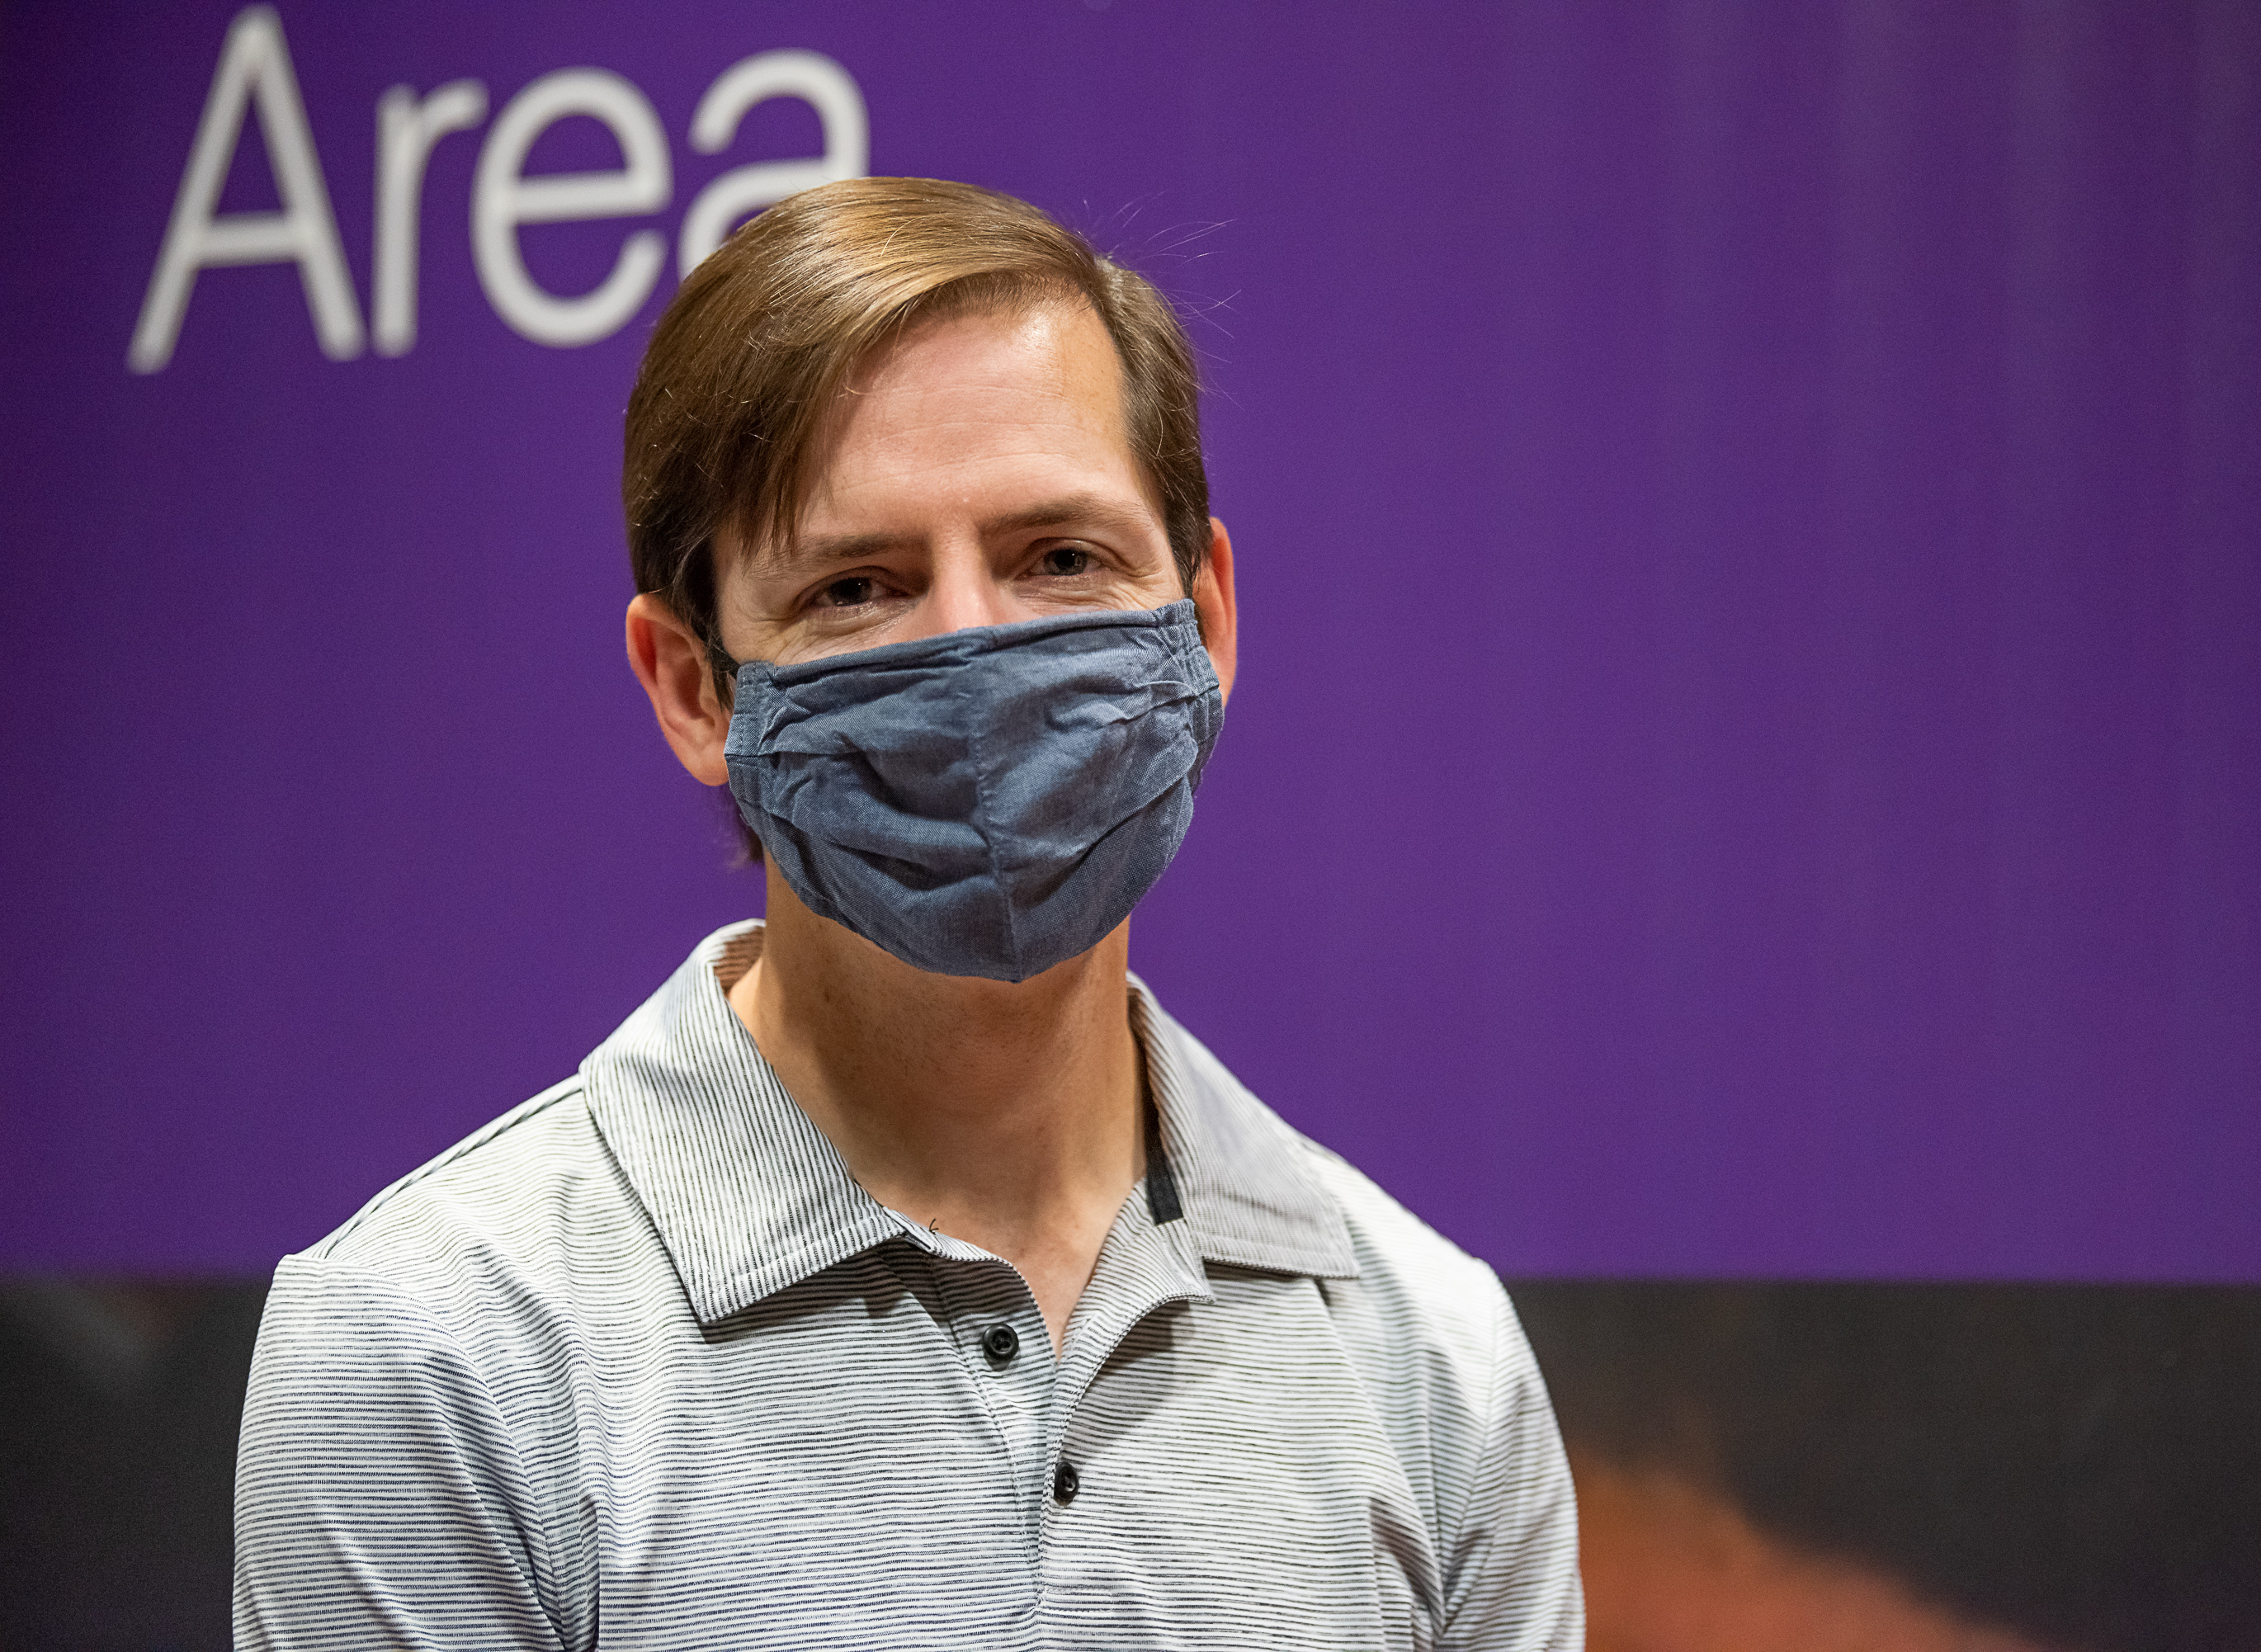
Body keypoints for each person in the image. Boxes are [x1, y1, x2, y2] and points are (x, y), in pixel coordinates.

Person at [233, 177, 1584, 1650]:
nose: (971, 655)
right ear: (694, 686)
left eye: (1060, 559)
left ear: (1203, 620)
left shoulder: (1431, 1355)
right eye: (856, 588)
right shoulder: (434, 1347)